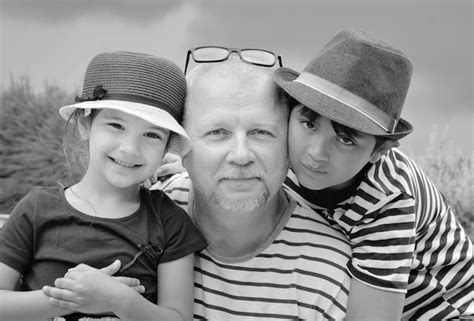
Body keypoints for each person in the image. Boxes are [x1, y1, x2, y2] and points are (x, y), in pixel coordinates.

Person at [273, 27, 474, 320]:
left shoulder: (388, 200)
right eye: (309, 124)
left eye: (345, 139)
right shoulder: (278, 153)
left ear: (379, 151)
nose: (316, 152)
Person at [0, 51, 207, 321]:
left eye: (151, 135)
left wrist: (119, 300)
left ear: (167, 147)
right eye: (116, 125)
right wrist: (71, 298)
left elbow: (179, 317)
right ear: (86, 125)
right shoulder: (36, 209)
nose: (130, 148)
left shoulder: (170, 223)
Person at [153, 51, 353, 320]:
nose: (241, 154)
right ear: (180, 146)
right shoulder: (142, 216)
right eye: (217, 133)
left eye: (261, 133)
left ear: (289, 146)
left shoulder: (331, 272)